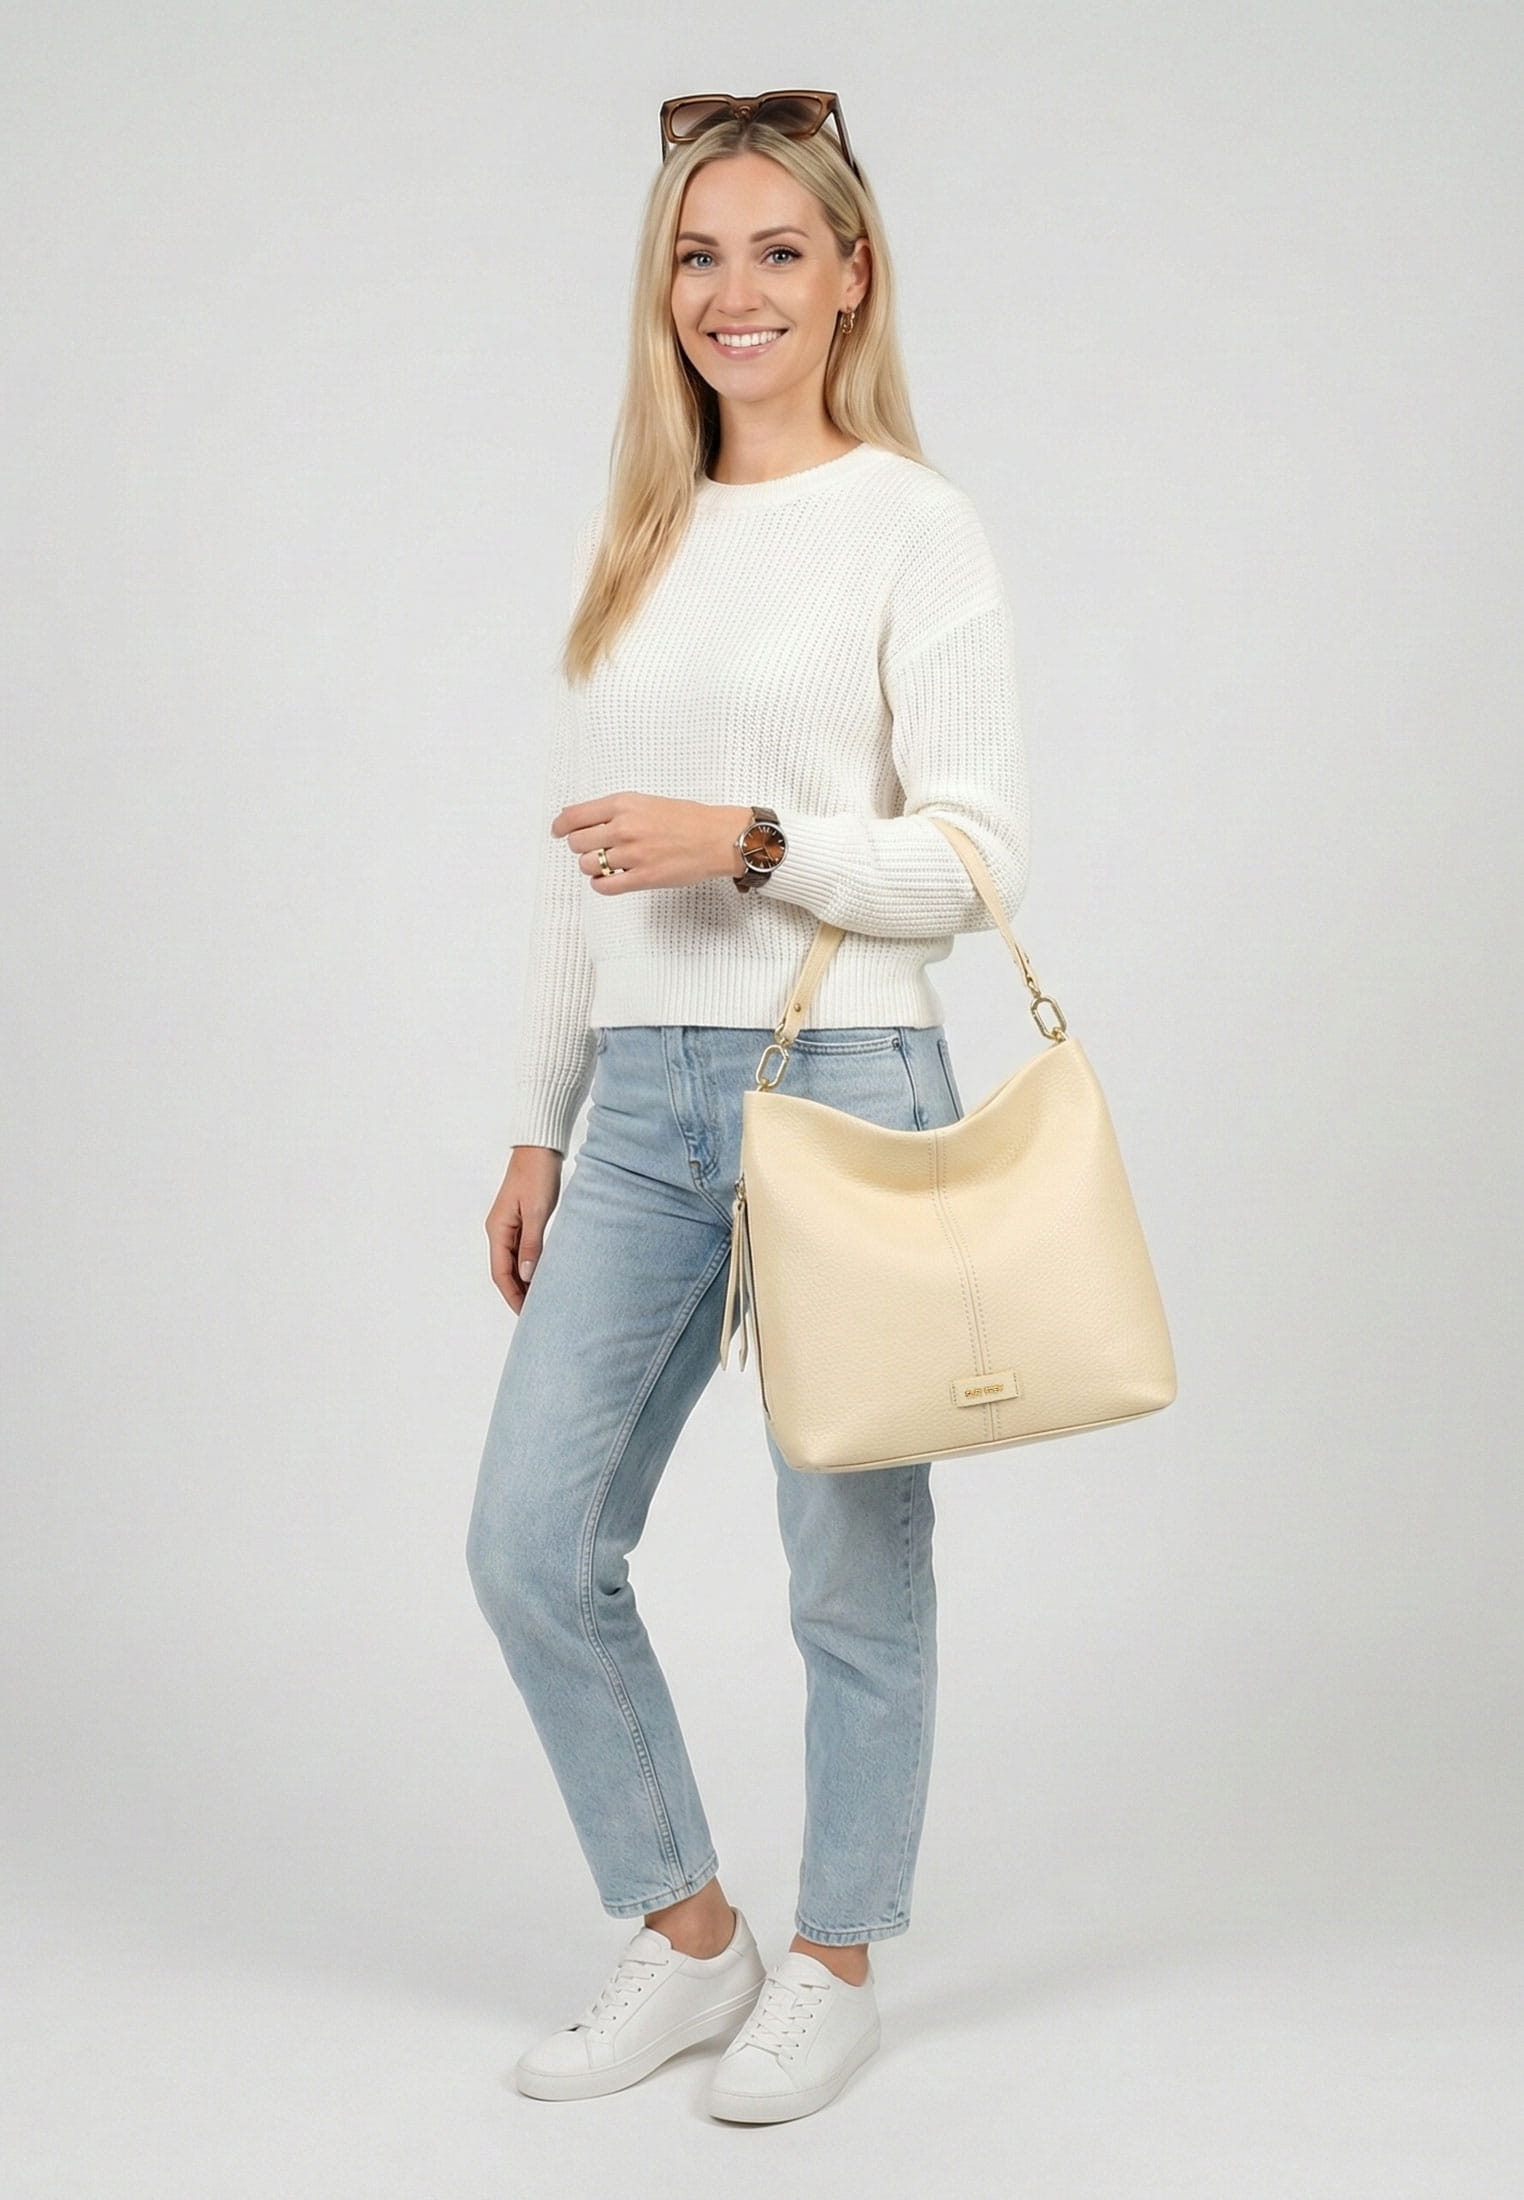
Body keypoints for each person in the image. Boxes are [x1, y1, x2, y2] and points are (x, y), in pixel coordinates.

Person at [465, 88, 1030, 2125]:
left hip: (849, 1082)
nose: (736, 292)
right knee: (531, 1541)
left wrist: (756, 838)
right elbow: (575, 868)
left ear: (851, 275)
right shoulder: (638, 535)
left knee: (848, 1570)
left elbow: (974, 862)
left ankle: (839, 1958)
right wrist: (539, 1116)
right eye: (699, 256)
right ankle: (693, 1932)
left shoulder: (912, 522)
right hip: (641, 1099)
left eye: (779, 251)